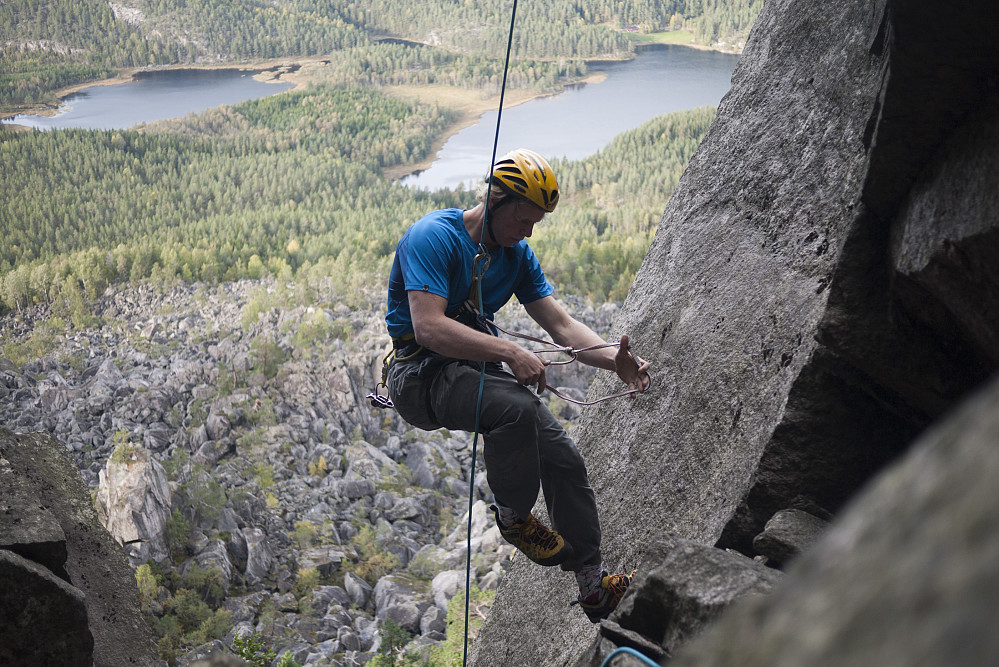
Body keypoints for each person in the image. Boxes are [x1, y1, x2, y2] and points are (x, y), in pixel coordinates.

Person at [384, 148, 651, 622]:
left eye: (535, 224)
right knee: (516, 408)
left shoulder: (516, 256)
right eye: (523, 219)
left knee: (564, 460)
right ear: (494, 198)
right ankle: (513, 518)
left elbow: (562, 327)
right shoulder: (434, 237)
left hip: (470, 370)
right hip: (418, 376)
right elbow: (427, 328)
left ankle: (594, 585)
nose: (527, 232)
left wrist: (616, 362)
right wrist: (509, 351)